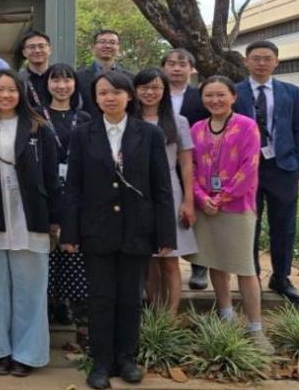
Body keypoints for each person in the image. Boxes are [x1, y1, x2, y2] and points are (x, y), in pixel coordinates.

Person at [61, 71, 175, 390]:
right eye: (103, 93)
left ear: (129, 96)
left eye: (116, 92)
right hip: (96, 230)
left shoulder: (149, 134)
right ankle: (100, 361)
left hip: (137, 229)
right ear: (95, 99)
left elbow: (161, 187)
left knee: (130, 298)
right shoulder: (83, 134)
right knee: (100, 298)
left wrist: (165, 234)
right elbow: (73, 187)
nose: (110, 98)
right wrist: (70, 233)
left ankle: (126, 358)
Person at [0, 69, 61, 377]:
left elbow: (51, 177)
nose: (6, 95)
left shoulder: (39, 128)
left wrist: (55, 219)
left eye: (12, 90)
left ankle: (27, 353)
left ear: (21, 94)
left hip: (30, 214)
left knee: (30, 289)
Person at [189, 76, 273, 354]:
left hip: (237, 206)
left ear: (233, 97)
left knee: (245, 268)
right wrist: (202, 198)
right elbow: (190, 168)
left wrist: (221, 198)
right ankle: (226, 315)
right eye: (209, 95)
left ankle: (256, 328)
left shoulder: (247, 126)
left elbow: (249, 168)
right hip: (206, 208)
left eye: (221, 95)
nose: (215, 100)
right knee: (216, 262)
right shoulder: (197, 129)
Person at [234, 40, 299, 303]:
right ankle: (250, 274)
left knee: (284, 226)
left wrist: (297, 165)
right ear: (246, 61)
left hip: (282, 168)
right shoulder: (234, 92)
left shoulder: (292, 92)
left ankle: (281, 277)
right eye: (256, 58)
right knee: (248, 225)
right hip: (245, 170)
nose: (261, 63)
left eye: (267, 58)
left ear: (276, 62)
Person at [132, 68, 197, 315]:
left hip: (170, 191)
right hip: (138, 192)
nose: (150, 92)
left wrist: (188, 201)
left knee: (170, 259)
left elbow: (187, 164)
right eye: (144, 87)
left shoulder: (178, 122)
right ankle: (155, 313)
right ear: (135, 91)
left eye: (156, 87)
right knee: (149, 259)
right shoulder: (129, 120)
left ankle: (170, 317)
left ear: (164, 90)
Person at [42, 63, 91, 339]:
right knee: (48, 251)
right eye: (55, 80)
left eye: (67, 80)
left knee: (73, 249)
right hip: (46, 189)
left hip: (77, 190)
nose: (61, 86)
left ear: (74, 84)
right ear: (47, 84)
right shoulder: (37, 116)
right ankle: (50, 304)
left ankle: (74, 308)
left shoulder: (84, 118)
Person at [160, 48, 210, 291]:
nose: (176, 68)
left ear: (192, 69)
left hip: (195, 162)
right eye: (171, 63)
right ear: (163, 68)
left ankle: (199, 266)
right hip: (164, 164)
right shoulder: (155, 94)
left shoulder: (201, 97)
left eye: (182, 64)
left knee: (195, 214)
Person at [76, 30, 132, 119]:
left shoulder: (130, 78)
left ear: (118, 47)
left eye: (112, 42)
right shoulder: (78, 77)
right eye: (102, 42)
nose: (107, 46)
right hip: (89, 125)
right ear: (93, 47)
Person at [17, 30, 52, 109]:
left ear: (50, 50)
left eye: (41, 46)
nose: (37, 50)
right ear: (24, 52)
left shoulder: (60, 77)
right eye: (31, 47)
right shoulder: (18, 80)